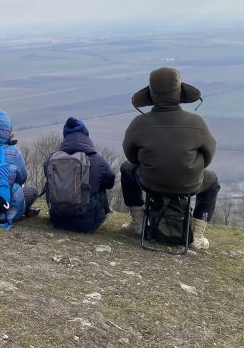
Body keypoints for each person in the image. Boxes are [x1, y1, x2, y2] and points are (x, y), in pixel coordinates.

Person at [121, 67, 220, 250]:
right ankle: (197, 236)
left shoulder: (139, 123)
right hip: (189, 185)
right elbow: (209, 156)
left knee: (126, 169)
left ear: (151, 95)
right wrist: (188, 169)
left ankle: (138, 223)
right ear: (180, 93)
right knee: (212, 180)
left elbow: (131, 157)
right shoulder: (197, 123)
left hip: (150, 183)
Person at [48, 117, 115, 233]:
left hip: (57, 220)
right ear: (86, 135)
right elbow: (110, 183)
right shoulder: (99, 161)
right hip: (87, 224)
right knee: (100, 187)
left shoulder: (52, 159)